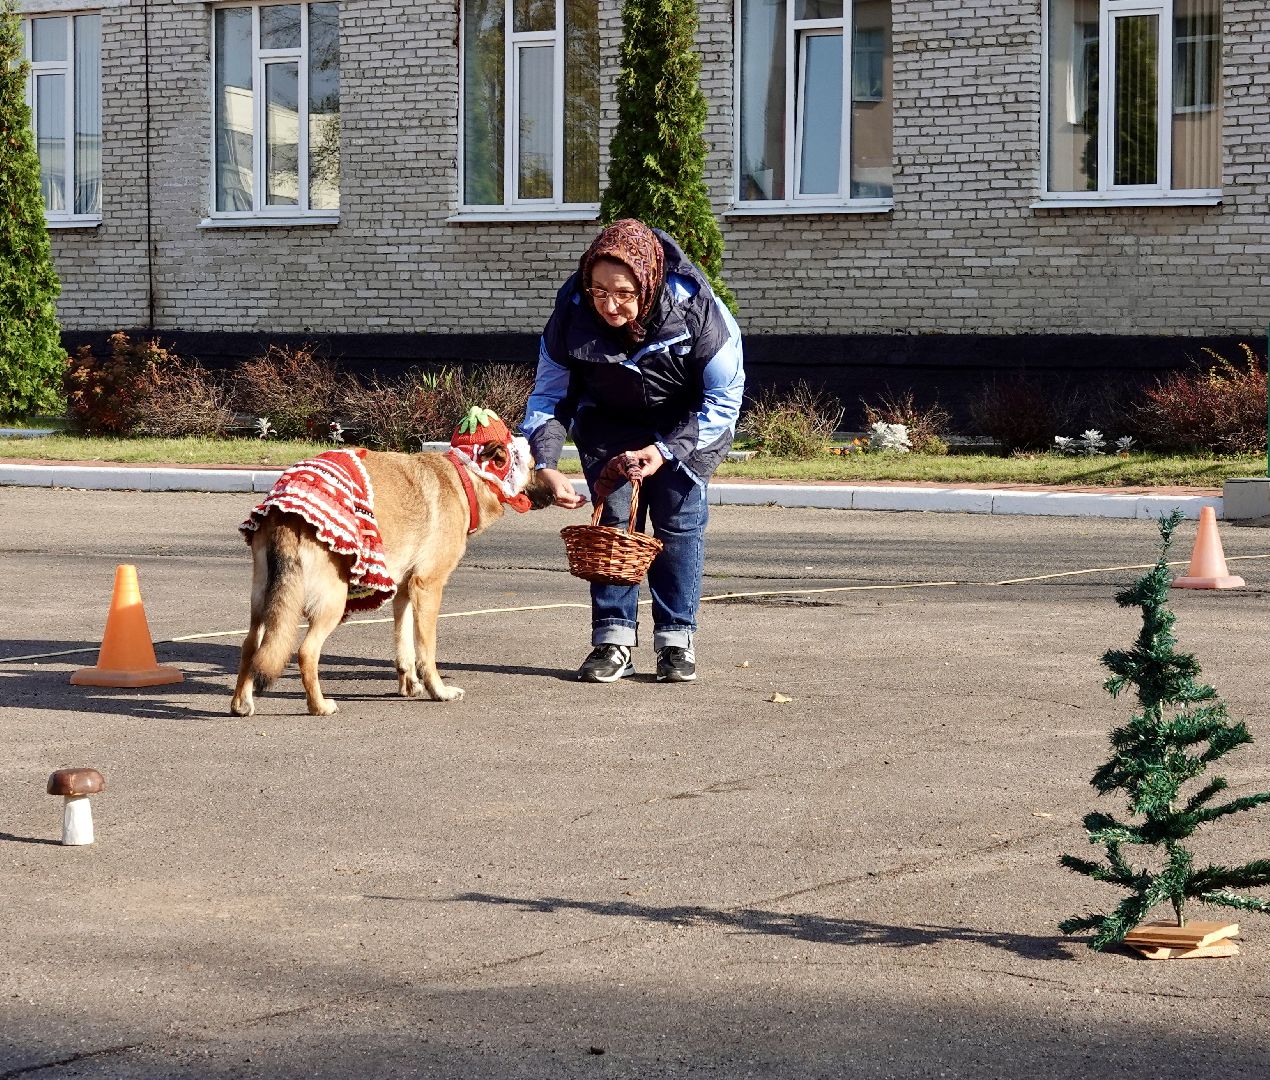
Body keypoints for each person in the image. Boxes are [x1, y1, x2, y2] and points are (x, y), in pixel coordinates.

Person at [522, 219, 745, 684]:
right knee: (614, 526)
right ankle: (612, 640)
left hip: (687, 426)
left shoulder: (698, 311)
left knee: (678, 524)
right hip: (609, 423)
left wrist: (666, 450)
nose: (609, 304)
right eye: (598, 290)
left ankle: (676, 643)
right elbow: (548, 397)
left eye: (622, 292)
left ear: (647, 281)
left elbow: (723, 398)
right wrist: (544, 463)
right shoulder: (571, 313)